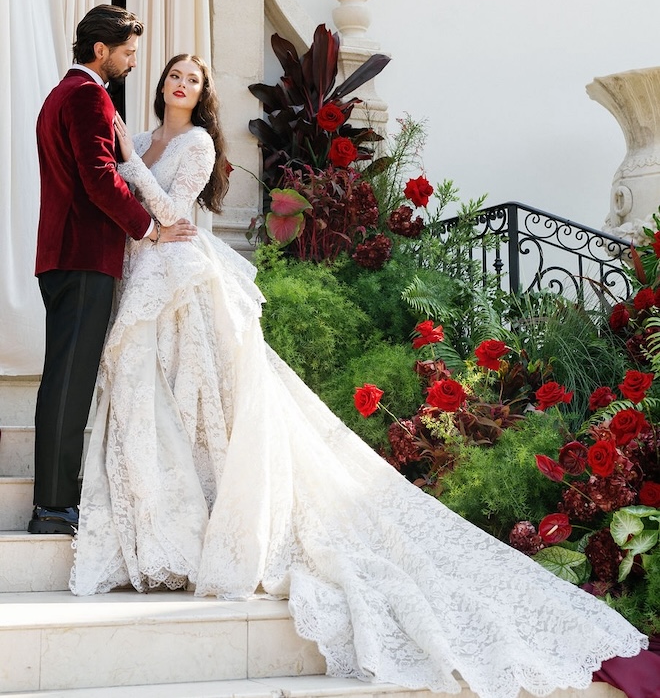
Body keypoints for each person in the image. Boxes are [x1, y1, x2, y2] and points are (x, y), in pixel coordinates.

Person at [70, 53, 648, 698]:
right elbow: (115, 194)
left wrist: (124, 155)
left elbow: (171, 213)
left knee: (199, 396)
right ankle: (159, 521)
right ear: (161, 85)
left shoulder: (200, 142)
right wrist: (129, 151)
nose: (182, 84)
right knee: (150, 398)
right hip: (140, 271)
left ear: (202, 95)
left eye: (194, 79)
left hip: (178, 267)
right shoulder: (147, 138)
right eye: (176, 75)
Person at [31, 5, 196, 536]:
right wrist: (150, 229)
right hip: (82, 257)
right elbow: (100, 178)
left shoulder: (62, 94)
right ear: (101, 50)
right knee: (69, 382)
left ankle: (55, 500)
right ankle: (53, 507)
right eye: (127, 52)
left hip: (65, 254)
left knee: (66, 378)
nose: (131, 62)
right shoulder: (86, 96)